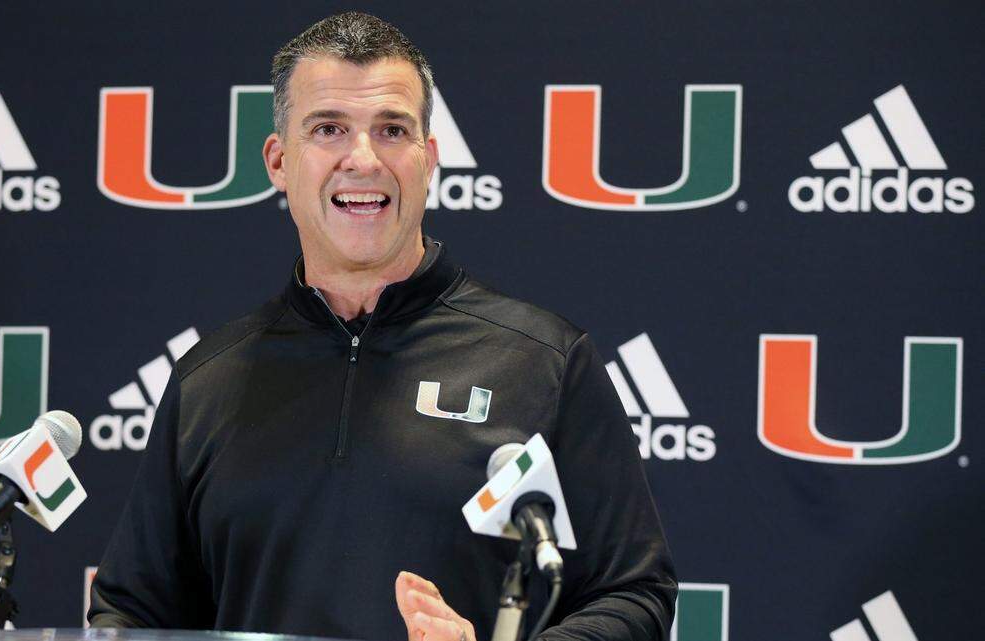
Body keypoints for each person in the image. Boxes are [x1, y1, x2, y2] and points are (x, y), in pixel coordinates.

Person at [89, 12, 676, 641]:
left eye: (391, 130)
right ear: (279, 161)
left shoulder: (546, 362)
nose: (362, 159)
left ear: (428, 159)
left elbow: (634, 596)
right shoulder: (207, 379)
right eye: (330, 129)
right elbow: (130, 612)